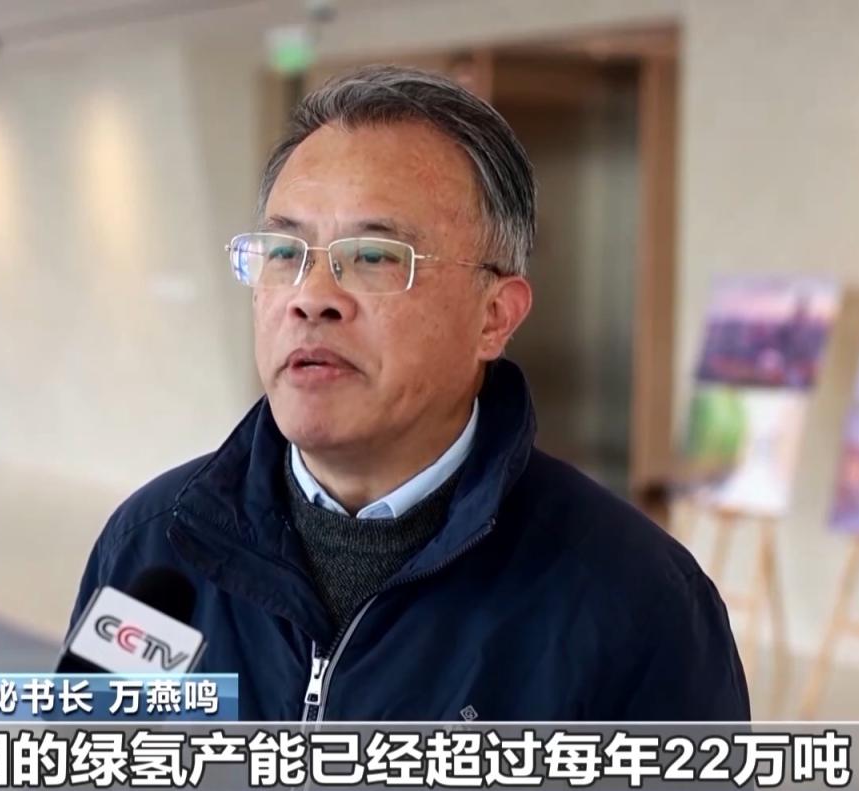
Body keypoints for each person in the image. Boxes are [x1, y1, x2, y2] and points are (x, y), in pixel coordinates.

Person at [67, 65, 750, 721]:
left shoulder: (637, 601)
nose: (311, 298)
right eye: (285, 253)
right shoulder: (152, 546)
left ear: (495, 316)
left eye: (373, 256)